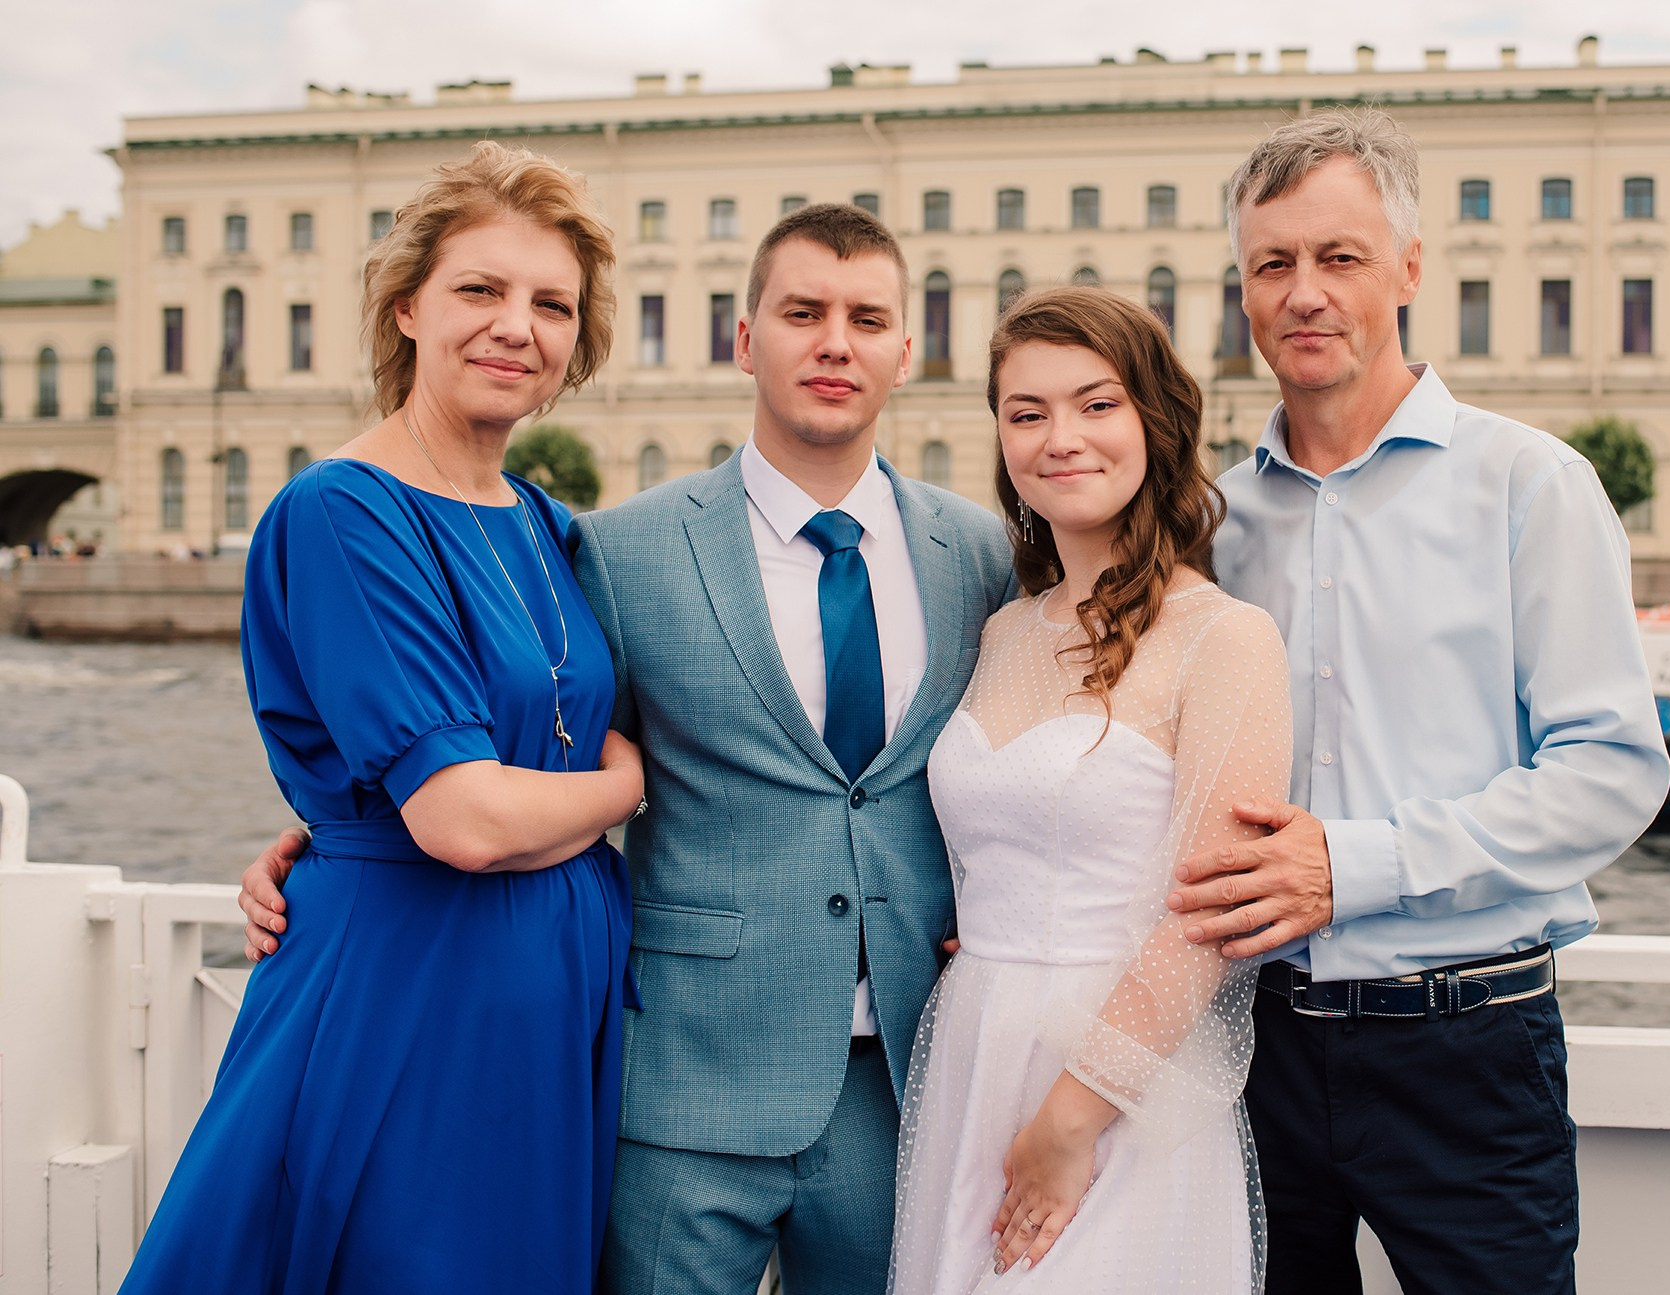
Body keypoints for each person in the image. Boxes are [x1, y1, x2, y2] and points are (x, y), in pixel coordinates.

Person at [243, 202, 1014, 1295]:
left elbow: (1032, 765)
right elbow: (511, 731)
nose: (832, 341)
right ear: (745, 339)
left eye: (864, 318)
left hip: (904, 1068)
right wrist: (317, 835)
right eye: (800, 312)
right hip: (680, 1074)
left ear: (903, 347)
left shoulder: (979, 553)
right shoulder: (615, 546)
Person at [1166, 108, 1670, 1293]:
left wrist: (1356, 863)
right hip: (1253, 1046)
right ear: (1240, 290)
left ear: (1405, 267)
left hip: (1468, 1049)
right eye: (1270, 264)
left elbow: (1609, 769)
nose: (1303, 292)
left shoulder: (1529, 485)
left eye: (1336, 257)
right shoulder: (1214, 524)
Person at [125, 142, 644, 1293]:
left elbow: (511, 751)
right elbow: (460, 817)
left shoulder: (549, 523)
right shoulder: (341, 513)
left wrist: (337, 820)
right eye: (480, 289)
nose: (517, 325)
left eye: (550, 303)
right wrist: (626, 786)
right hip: (410, 986)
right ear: (407, 305)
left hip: (551, 996)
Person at [888, 287, 1294, 1294]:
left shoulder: (1223, 638)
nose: (1058, 437)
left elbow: (1204, 917)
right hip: (974, 1049)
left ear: (1154, 422)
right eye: (1026, 413)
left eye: (1095, 404)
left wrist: (1072, 1115)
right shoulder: (1003, 630)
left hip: (1117, 1075)